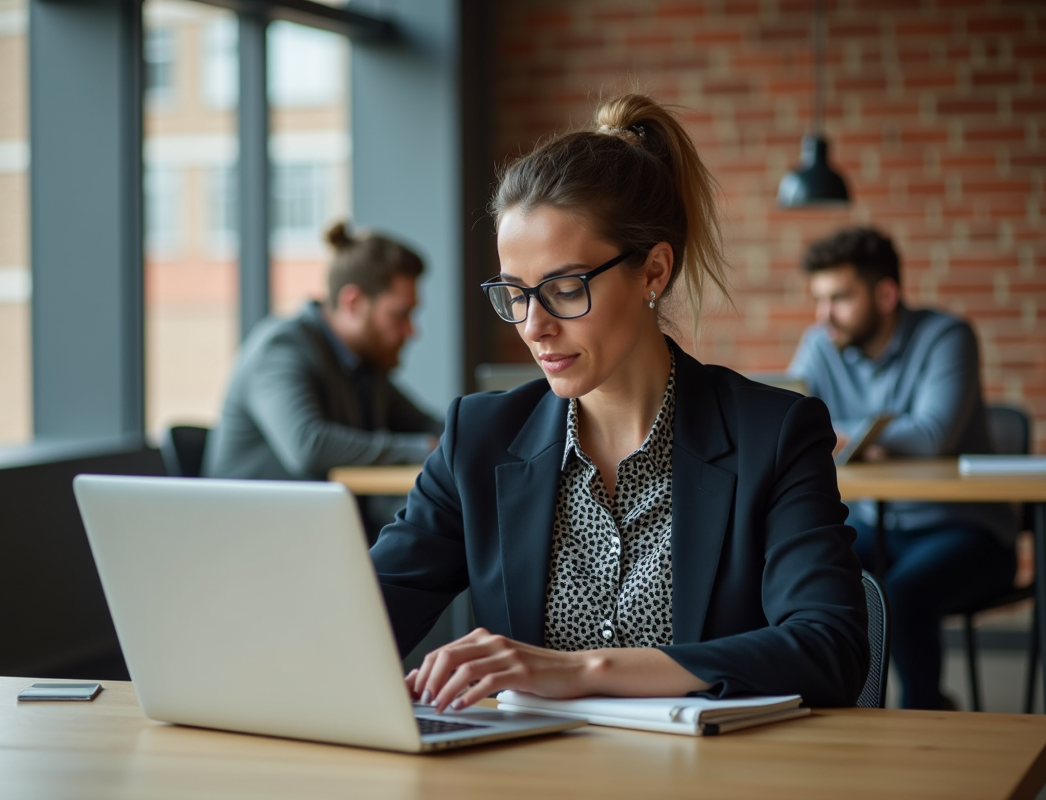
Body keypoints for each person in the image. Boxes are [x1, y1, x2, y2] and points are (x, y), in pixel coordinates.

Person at [370, 94, 869, 714]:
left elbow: (830, 650)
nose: (533, 326)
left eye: (563, 288)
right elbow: (354, 623)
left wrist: (581, 671)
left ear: (653, 272)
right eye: (516, 294)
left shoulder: (774, 433)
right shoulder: (480, 437)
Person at [788, 226, 1016, 710]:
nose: (823, 315)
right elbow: (790, 426)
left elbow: (932, 435)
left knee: (900, 595)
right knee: (805, 571)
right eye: (819, 299)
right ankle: (832, 713)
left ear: (886, 293)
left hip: (966, 529)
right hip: (874, 523)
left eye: (840, 298)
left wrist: (842, 434)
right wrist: (875, 437)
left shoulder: (947, 336)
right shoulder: (820, 343)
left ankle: (925, 714)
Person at [203, 222, 443, 536]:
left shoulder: (364, 365)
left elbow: (425, 424)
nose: (411, 331)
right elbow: (308, 444)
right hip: (250, 539)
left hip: (311, 534)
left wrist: (472, 435)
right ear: (353, 303)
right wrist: (422, 448)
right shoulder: (281, 349)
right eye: (400, 315)